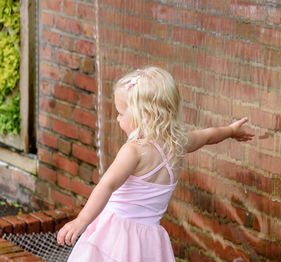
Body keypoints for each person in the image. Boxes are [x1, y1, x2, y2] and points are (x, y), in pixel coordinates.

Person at [57, 66, 254, 261]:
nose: (117, 118)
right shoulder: (178, 143)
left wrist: (81, 221)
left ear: (145, 116)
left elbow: (107, 185)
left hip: (117, 235)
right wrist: (230, 130)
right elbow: (208, 136)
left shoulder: (133, 150)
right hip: (149, 240)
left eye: (121, 113)